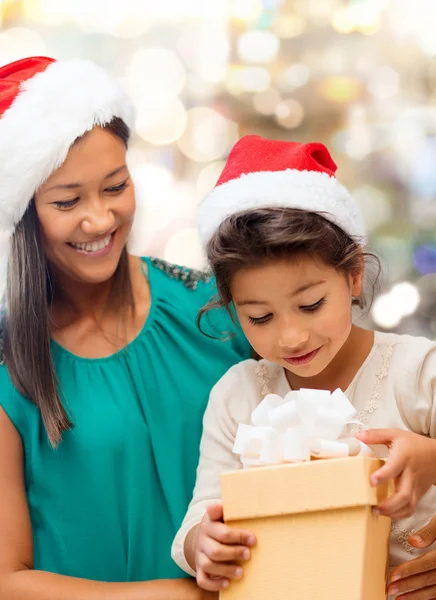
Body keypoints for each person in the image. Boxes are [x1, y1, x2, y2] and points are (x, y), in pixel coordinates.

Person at [0, 56, 251, 599]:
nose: (100, 219)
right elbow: (7, 579)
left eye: (115, 187)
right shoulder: (7, 368)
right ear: (21, 213)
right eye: (67, 201)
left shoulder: (213, 308)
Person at [171, 135, 436, 598]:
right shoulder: (238, 395)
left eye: (311, 305)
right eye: (260, 317)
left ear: (353, 275)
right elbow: (204, 512)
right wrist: (203, 545)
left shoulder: (417, 372)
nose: (291, 337)